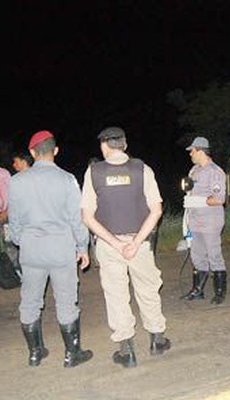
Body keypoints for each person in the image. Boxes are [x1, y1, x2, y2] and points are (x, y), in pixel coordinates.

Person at [81, 126, 170, 368]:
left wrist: (117, 243)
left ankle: (127, 350)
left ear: (104, 146)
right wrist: (136, 241)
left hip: (110, 246)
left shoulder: (93, 172)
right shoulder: (143, 169)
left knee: (116, 294)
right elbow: (156, 210)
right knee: (148, 289)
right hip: (139, 244)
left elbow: (87, 217)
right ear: (125, 145)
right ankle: (157, 340)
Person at [8, 130, 93, 368]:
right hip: (61, 250)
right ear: (55, 151)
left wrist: (20, 240)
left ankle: (35, 353)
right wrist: (82, 246)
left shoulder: (16, 182)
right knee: (66, 301)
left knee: (30, 301)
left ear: (33, 153)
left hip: (31, 250)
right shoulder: (67, 180)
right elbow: (76, 219)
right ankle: (71, 354)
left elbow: (13, 221)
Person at [182, 136, 228, 305]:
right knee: (197, 256)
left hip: (210, 221)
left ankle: (220, 292)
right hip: (195, 221)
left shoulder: (215, 172)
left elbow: (219, 199)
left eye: (192, 151)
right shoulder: (194, 171)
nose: (190, 154)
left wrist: (201, 201)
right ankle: (198, 290)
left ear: (200, 150)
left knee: (214, 255)